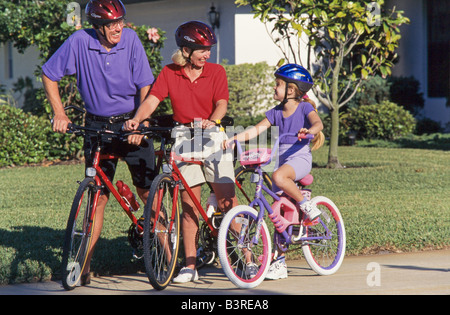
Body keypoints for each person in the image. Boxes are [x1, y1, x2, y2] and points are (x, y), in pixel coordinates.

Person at [42, 0, 156, 285]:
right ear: (97, 27)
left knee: (146, 192)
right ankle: (83, 266)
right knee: (97, 197)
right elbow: (49, 74)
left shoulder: (130, 40)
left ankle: (170, 258)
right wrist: (59, 112)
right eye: (111, 24)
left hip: (131, 122)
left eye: (120, 21)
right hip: (96, 125)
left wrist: (141, 122)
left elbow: (145, 84)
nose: (118, 27)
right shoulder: (79, 41)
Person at [123, 21, 238, 283]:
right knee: (188, 207)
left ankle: (245, 255)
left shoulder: (216, 71)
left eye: (208, 49)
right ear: (186, 50)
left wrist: (214, 120)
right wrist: (138, 120)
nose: (207, 54)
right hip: (184, 137)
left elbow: (221, 103)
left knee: (226, 202)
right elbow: (152, 100)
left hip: (211, 135)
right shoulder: (169, 72)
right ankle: (189, 265)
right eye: (201, 50)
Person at [223, 63, 325, 280]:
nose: (273, 88)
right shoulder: (275, 112)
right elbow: (256, 130)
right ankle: (279, 262)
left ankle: (307, 206)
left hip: (300, 159)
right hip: (281, 161)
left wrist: (309, 131)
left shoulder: (305, 108)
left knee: (279, 176)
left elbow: (318, 124)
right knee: (278, 215)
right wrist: (234, 138)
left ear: (291, 90)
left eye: (277, 84)